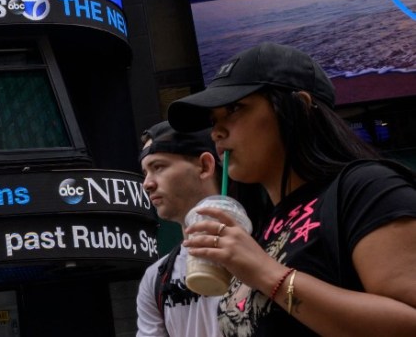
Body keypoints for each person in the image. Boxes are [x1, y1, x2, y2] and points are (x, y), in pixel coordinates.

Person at [167, 42, 416, 336]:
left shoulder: (366, 189)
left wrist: (266, 273)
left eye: (234, 108)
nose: (216, 132)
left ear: (298, 107)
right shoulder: (260, 227)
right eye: (213, 120)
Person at [135, 121, 222, 337]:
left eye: (158, 167)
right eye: (145, 172)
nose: (147, 183)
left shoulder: (265, 248)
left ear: (205, 166)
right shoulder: (155, 279)